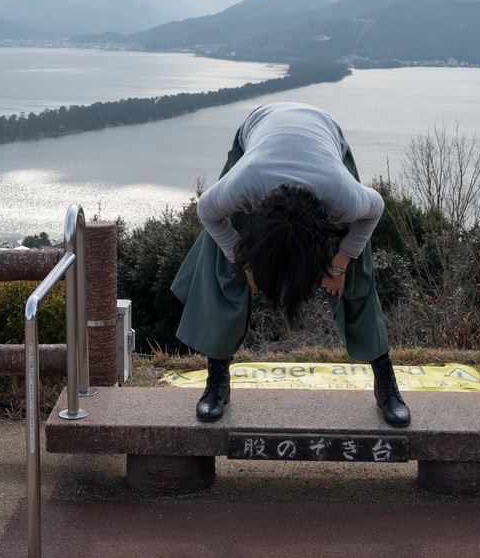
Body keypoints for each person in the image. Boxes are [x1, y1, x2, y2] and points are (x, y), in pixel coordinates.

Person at [171, 102, 410, 427]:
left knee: (357, 272)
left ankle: (386, 384)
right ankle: (217, 382)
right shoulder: (244, 185)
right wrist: (242, 263)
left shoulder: (343, 199)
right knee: (225, 268)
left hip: (326, 139)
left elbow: (375, 209)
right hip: (256, 134)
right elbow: (207, 213)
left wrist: (339, 263)